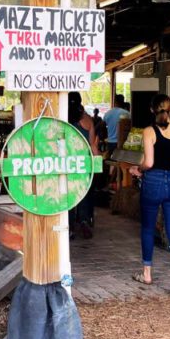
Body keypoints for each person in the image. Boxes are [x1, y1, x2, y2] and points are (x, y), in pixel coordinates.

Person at [129, 95, 170, 298]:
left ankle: (146, 273)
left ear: (151, 109)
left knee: (147, 228)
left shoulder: (149, 131)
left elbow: (149, 162)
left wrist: (137, 170)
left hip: (153, 182)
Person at [67, 92, 100, 239]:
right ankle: (84, 221)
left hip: (66, 163)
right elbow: (93, 145)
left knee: (67, 195)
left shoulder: (63, 118)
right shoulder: (87, 120)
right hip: (84, 163)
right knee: (84, 193)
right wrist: (98, 161)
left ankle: (69, 228)